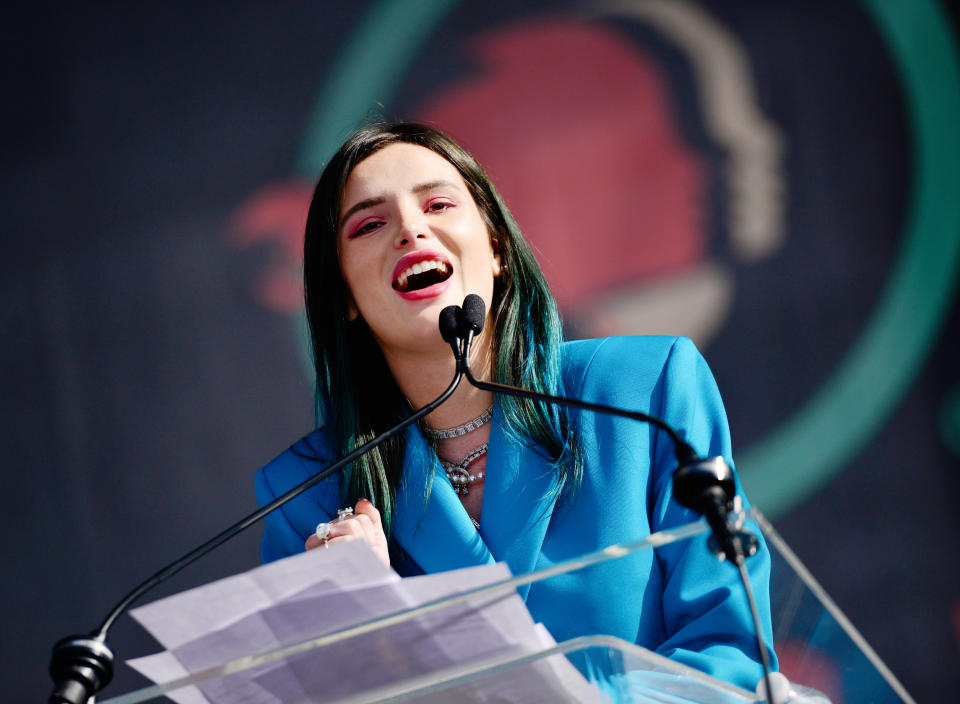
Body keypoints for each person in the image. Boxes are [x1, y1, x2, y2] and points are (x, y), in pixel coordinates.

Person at [254, 121, 776, 691]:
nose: (410, 230)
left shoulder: (642, 391)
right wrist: (370, 630)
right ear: (345, 297)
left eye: (438, 204)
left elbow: (732, 653)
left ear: (496, 247)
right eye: (371, 224)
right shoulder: (308, 499)